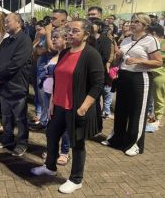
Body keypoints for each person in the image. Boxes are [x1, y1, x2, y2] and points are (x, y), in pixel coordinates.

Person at [31, 19, 104, 194]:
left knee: (77, 144)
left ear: (86, 34)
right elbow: (57, 80)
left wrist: (84, 107)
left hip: (77, 108)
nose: (70, 34)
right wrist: (51, 102)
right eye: (69, 31)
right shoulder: (64, 53)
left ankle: (75, 179)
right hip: (59, 105)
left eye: (75, 31)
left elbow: (98, 84)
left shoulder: (90, 54)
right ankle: (50, 166)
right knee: (51, 134)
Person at [102, 13, 163, 156]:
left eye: (137, 22)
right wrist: (117, 58)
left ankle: (134, 144)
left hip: (140, 78)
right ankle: (117, 139)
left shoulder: (151, 40)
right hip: (124, 76)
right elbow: (119, 62)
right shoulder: (126, 39)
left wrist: (139, 61)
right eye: (132, 21)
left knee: (137, 112)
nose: (132, 24)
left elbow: (158, 62)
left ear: (145, 25)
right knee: (121, 110)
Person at [0, 13, 33, 157]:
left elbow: (15, 64)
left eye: (8, 21)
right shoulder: (6, 41)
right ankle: (8, 138)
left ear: (19, 23)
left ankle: (22, 143)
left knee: (20, 119)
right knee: (6, 116)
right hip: (4, 86)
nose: (6, 24)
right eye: (5, 22)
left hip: (17, 86)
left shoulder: (25, 40)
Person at [39, 27, 70, 165]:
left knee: (63, 126)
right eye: (53, 37)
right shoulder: (54, 55)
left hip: (60, 96)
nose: (53, 39)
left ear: (65, 39)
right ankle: (52, 150)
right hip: (47, 94)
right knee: (50, 125)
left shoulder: (68, 55)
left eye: (57, 37)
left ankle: (64, 152)